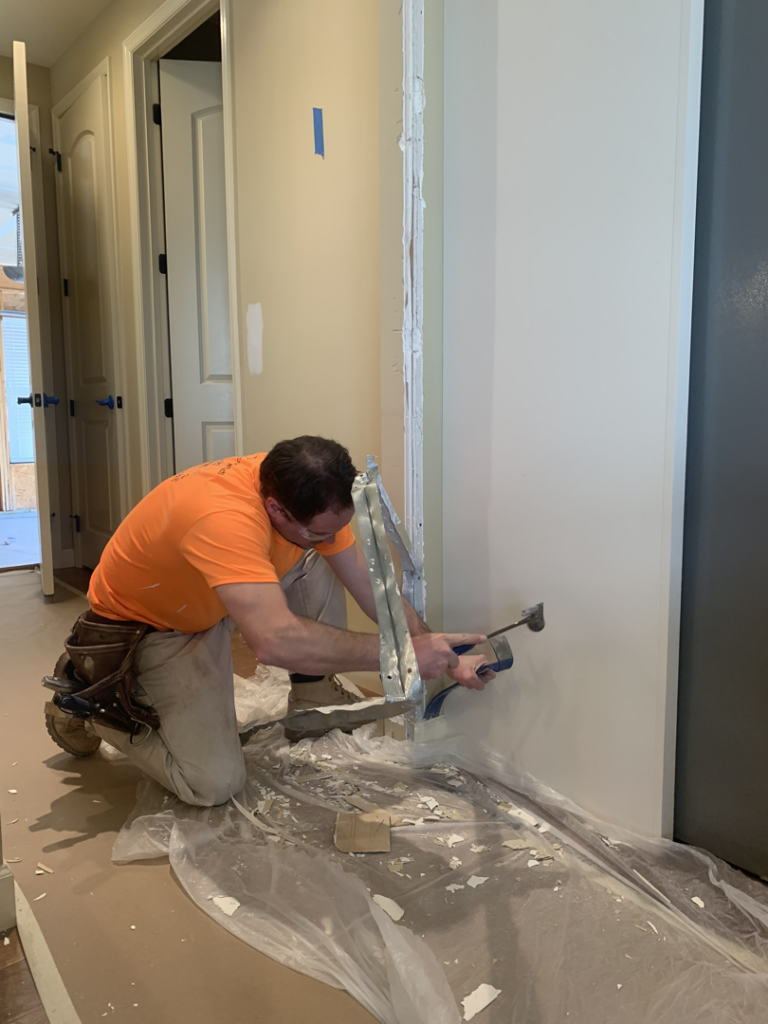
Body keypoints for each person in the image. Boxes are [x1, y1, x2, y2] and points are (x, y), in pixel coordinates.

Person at [44, 437, 492, 806]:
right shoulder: (222, 518)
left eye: (338, 527)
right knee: (214, 784)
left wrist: (441, 653)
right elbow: (272, 642)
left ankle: (311, 689)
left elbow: (376, 590)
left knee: (319, 560)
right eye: (319, 531)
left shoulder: (308, 494)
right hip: (153, 627)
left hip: (214, 597)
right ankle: (94, 702)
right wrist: (400, 655)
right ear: (276, 510)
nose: (333, 537)